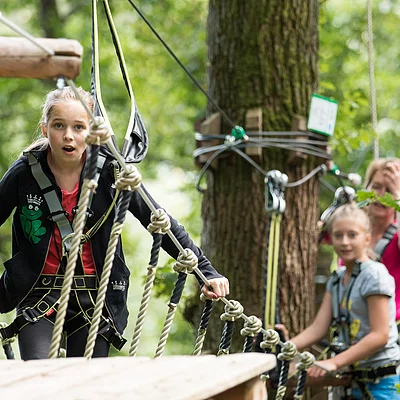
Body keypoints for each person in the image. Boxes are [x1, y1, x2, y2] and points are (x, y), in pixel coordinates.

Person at [0, 86, 229, 360]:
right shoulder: (25, 173)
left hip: (95, 301)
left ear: (92, 132)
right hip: (38, 295)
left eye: (79, 127)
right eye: (59, 125)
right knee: (38, 378)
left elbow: (158, 220)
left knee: (86, 385)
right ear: (45, 128)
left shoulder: (112, 174)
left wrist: (205, 270)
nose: (68, 135)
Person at [280, 203, 400, 399]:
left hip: (381, 383)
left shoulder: (374, 275)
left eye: (352, 235)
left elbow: (380, 335)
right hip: (348, 381)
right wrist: (284, 348)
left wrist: (333, 362)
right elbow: (318, 328)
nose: (345, 242)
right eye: (338, 235)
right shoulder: (337, 279)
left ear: (367, 238)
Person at [363, 158, 400, 324]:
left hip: (393, 330)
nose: (381, 196)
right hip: (355, 328)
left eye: (389, 190)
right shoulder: (351, 233)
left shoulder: (396, 236)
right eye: (376, 187)